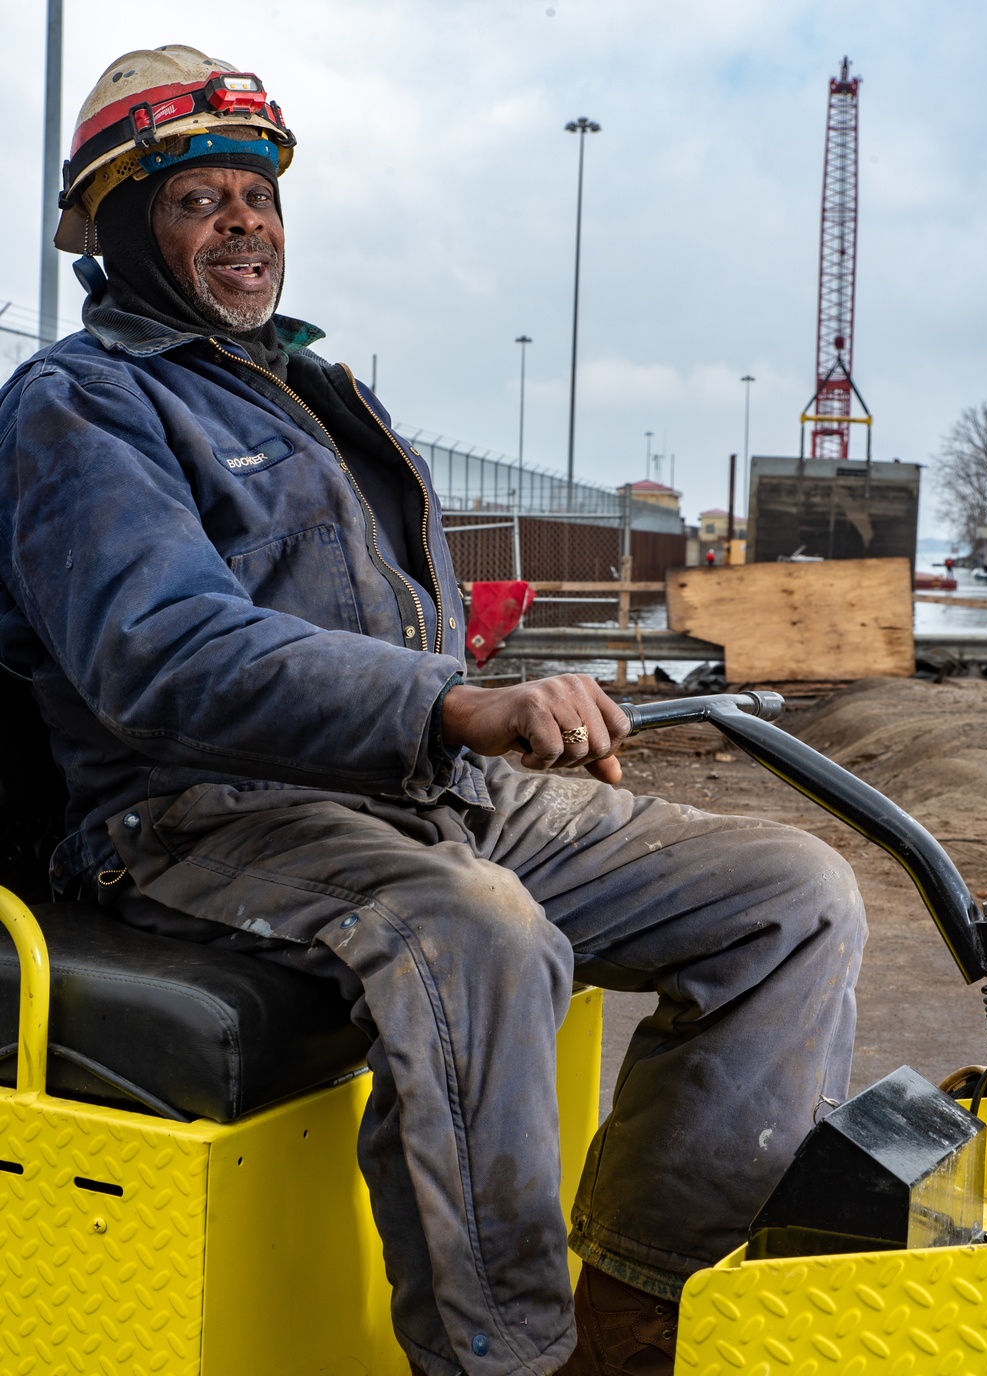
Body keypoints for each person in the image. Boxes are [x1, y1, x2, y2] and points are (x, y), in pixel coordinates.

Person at [0, 47, 865, 1376]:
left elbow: (406, 625)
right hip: (201, 814)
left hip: (410, 786)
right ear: (120, 226)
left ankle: (635, 1312)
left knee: (792, 891)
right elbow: (158, 650)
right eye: (198, 199)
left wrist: (531, 722)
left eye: (261, 195)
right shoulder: (83, 404)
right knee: (480, 933)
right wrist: (453, 703)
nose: (248, 224)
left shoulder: (320, 397)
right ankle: (500, 1356)